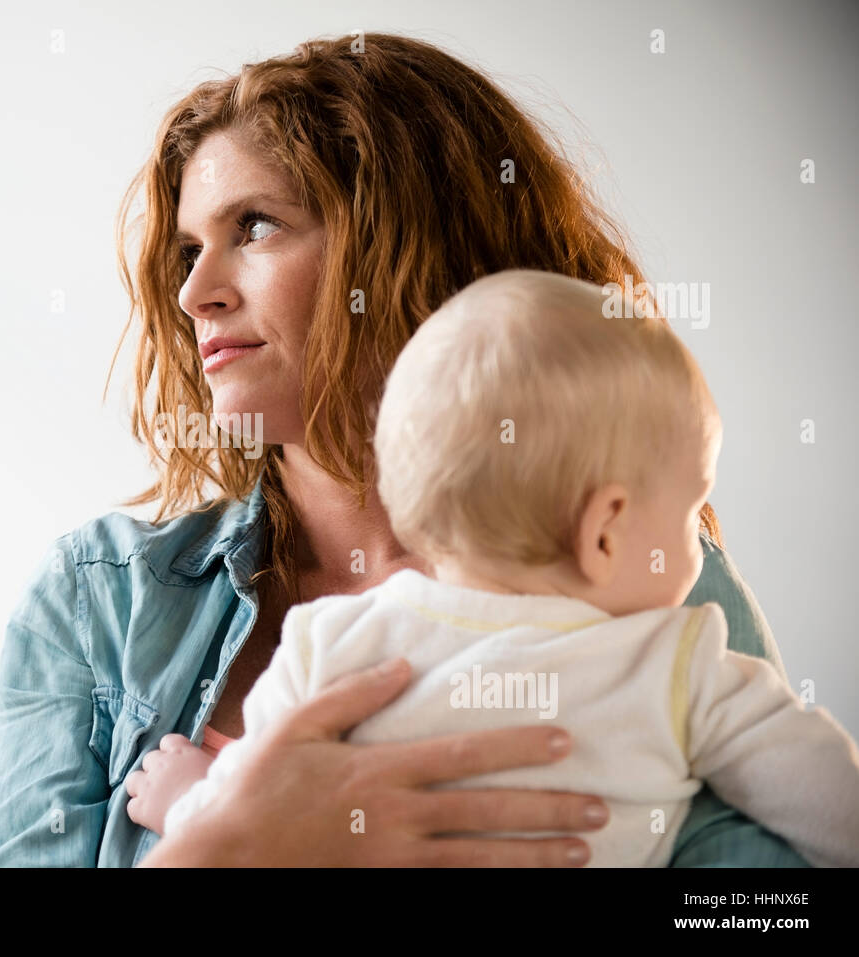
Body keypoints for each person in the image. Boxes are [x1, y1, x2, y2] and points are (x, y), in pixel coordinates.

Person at [0, 32, 809, 867]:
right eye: (188, 249)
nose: (193, 293)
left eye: (252, 226)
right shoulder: (96, 602)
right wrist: (226, 849)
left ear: (408, 243)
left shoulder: (653, 570)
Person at [136, 270, 859, 867]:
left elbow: (252, 807)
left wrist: (185, 800)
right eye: (690, 511)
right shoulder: (677, 664)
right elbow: (832, 803)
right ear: (604, 531)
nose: (698, 548)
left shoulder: (331, 641)